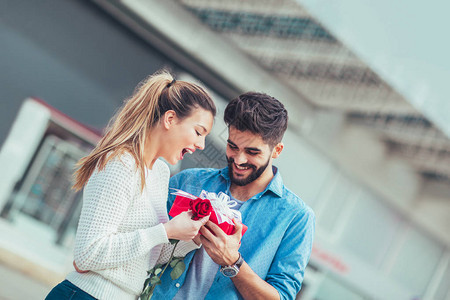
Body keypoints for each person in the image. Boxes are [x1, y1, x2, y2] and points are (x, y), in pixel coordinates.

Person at [45, 69, 216, 300]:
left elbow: (147, 256)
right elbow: (88, 254)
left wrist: (192, 236)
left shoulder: (160, 172)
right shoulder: (121, 163)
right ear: (170, 119)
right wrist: (165, 231)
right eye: (198, 132)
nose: (202, 144)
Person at [152, 92, 315, 300]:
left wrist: (232, 261)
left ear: (277, 150)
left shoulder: (296, 218)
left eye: (252, 152)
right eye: (232, 146)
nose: (238, 160)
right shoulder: (187, 182)